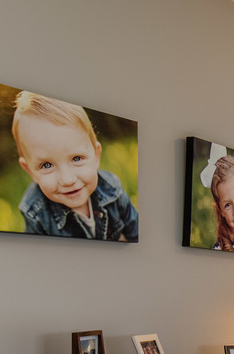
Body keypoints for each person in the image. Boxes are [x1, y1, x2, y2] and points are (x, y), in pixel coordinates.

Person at [13, 90, 139, 241]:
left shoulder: (112, 189)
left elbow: (137, 234)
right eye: (47, 165)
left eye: (76, 158)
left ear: (96, 155)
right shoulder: (35, 213)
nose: (67, 180)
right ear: (30, 171)